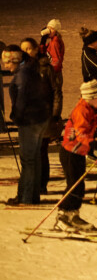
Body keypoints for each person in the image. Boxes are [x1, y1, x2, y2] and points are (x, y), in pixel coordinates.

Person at [3, 44, 51, 205]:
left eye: (7, 62)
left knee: (28, 160)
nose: (5, 66)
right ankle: (32, 195)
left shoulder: (23, 74)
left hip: (30, 120)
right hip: (40, 118)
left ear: (16, 60)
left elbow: (21, 100)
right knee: (34, 158)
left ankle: (26, 197)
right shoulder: (29, 69)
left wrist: (16, 116)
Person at [57, 80, 97, 231]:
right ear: (91, 97)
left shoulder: (88, 108)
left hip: (78, 152)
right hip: (70, 152)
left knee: (79, 186)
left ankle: (73, 214)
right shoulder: (81, 111)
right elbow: (81, 134)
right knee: (74, 185)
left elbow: (91, 123)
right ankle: (63, 215)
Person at [20, 37, 57, 195]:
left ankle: (42, 184)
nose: (26, 52)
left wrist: (55, 114)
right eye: (23, 49)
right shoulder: (21, 68)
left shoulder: (45, 68)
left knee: (41, 151)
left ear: (36, 49)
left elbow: (56, 92)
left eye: (29, 48)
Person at [39, 19, 65, 119]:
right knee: (53, 95)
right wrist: (43, 40)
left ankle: (55, 117)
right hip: (54, 72)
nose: (49, 30)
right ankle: (52, 116)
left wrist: (51, 73)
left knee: (55, 96)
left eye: (51, 28)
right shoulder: (52, 42)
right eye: (48, 28)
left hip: (55, 73)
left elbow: (56, 60)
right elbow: (42, 52)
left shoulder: (55, 43)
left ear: (56, 31)